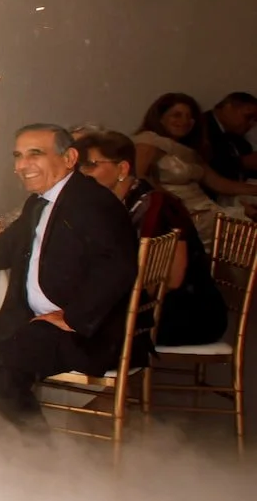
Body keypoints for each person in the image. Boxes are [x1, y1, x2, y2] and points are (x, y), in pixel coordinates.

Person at [0, 123, 142, 420]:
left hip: (82, 333)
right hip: (30, 319)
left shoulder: (93, 203)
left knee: (1, 364)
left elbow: (119, 268)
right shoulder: (41, 201)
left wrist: (73, 316)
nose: (22, 165)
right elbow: (9, 241)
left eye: (35, 154)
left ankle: (33, 457)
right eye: (18, 156)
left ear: (69, 158)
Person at [77, 128, 228, 347]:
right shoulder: (113, 206)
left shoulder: (158, 206)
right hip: (142, 306)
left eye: (91, 164)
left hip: (186, 314)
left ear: (122, 168)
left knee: (72, 328)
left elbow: (172, 280)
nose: (82, 172)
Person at [134, 93, 257, 237]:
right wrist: (171, 203)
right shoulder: (148, 142)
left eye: (189, 117)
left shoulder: (189, 150)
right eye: (177, 115)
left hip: (207, 209)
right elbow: (138, 178)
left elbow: (220, 183)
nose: (184, 121)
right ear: (160, 117)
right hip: (184, 215)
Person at [203, 91, 257, 185]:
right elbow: (204, 166)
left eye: (255, 120)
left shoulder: (237, 136)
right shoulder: (202, 127)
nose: (251, 124)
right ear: (228, 107)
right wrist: (242, 162)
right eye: (248, 117)